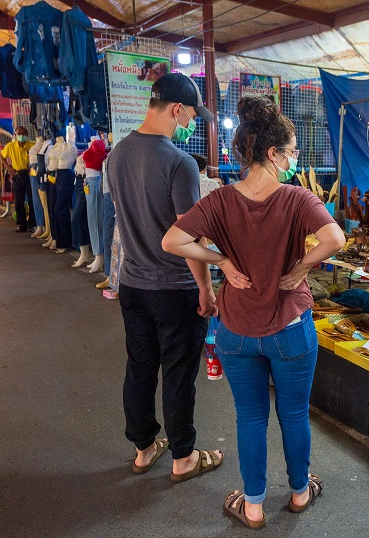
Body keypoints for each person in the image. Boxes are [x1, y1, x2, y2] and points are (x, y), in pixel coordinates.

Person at [162, 96, 345, 529]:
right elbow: (334, 239)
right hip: (290, 326)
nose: (295, 158)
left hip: (237, 329)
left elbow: (172, 241)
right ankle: (300, 493)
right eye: (293, 150)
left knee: (250, 418)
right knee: (294, 414)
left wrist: (221, 260)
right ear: (274, 153)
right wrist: (299, 267)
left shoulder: (222, 200)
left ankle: (255, 505)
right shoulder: (298, 199)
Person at [106, 73, 224, 483]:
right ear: (176, 109)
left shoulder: (116, 154)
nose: (190, 123)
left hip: (133, 284)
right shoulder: (179, 163)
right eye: (191, 115)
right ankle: (184, 458)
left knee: (140, 367)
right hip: (174, 289)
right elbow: (185, 237)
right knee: (177, 373)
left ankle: (143, 449)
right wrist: (207, 288)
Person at [0, 126, 35, 232]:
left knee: (32, 200)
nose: (21, 136)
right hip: (17, 174)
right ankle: (21, 223)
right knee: (19, 201)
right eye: (19, 134)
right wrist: (8, 167)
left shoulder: (32, 145)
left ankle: (32, 224)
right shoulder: (11, 146)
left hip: (30, 174)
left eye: (23, 134)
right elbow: (1, 156)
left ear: (27, 135)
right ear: (15, 135)